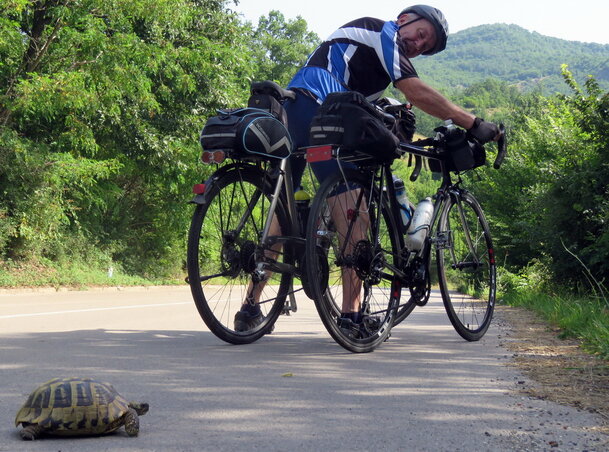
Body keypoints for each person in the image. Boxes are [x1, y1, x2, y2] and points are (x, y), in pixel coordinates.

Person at [234, 4, 501, 333]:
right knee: (352, 206)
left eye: (425, 46)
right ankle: (351, 316)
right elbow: (415, 90)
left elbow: (362, 100)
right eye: (420, 34)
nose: (418, 44)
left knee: (283, 214)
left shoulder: (371, 58)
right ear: (404, 20)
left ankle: (250, 308)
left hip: (294, 109)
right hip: (323, 110)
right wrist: (473, 123)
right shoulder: (382, 31)